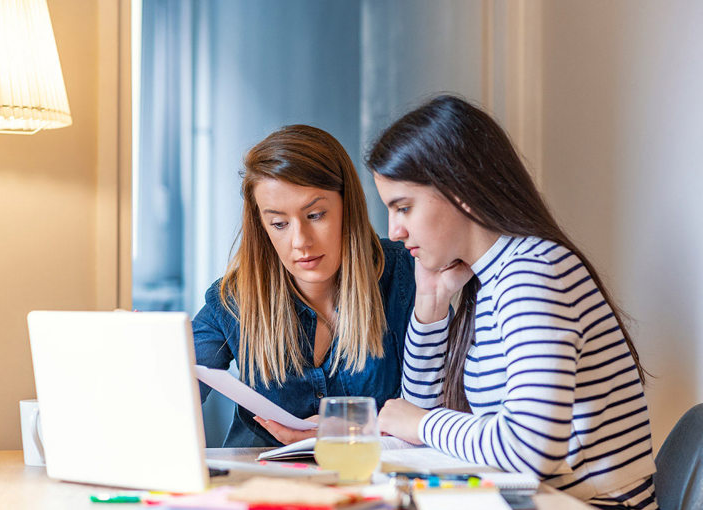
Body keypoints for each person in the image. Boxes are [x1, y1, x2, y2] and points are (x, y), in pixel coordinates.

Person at [371, 95, 657, 509]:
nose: (394, 230)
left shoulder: (534, 273)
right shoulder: (491, 279)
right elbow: (412, 422)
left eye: (404, 207)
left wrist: (423, 423)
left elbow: (529, 451)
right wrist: (432, 302)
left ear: (459, 191)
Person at [192, 125, 414, 447]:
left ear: (347, 206)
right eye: (279, 224)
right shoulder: (233, 301)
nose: (300, 242)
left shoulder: (404, 273)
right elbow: (171, 394)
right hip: (257, 484)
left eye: (315, 215)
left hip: (368, 481)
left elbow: (439, 410)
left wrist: (346, 429)